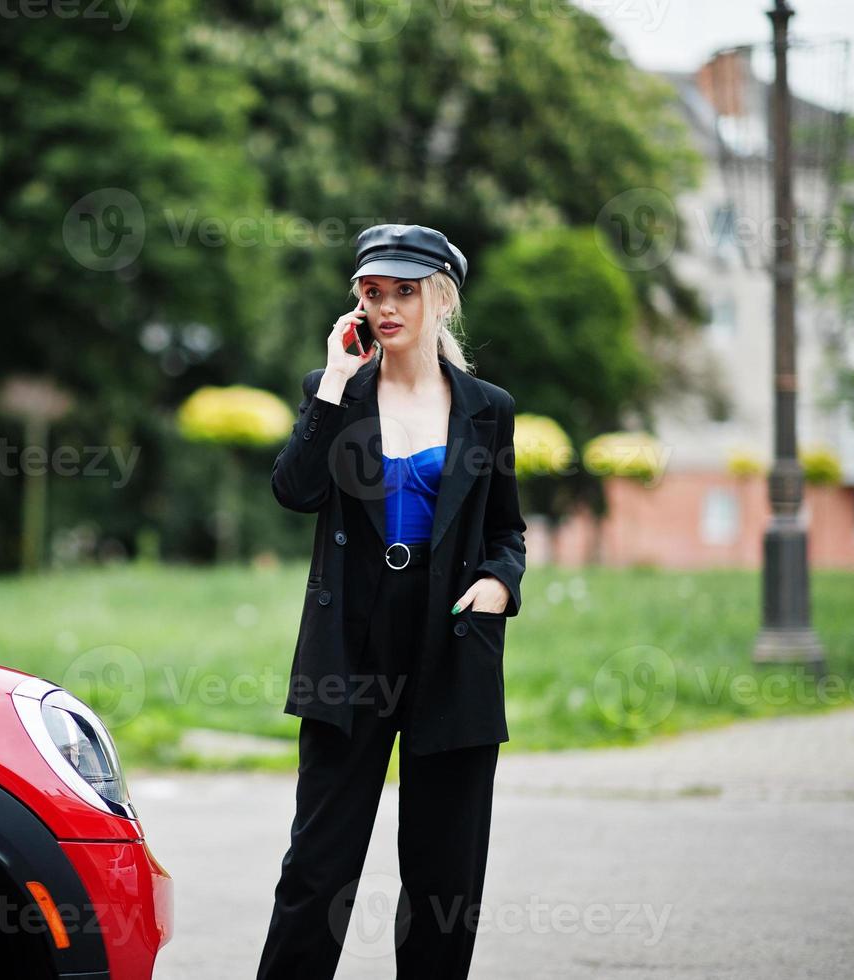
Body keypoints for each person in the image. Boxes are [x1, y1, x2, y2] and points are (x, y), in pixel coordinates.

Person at [257, 223, 527, 979]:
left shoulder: (487, 408)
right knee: (317, 867)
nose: (386, 307)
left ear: (440, 298)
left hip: (453, 641)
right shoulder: (336, 393)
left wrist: (500, 582)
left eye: (404, 291)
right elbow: (295, 491)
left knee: (445, 877)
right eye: (373, 292)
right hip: (350, 645)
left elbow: (507, 529)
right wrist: (334, 385)